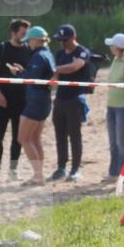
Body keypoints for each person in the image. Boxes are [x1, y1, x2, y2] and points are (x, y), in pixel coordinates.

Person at [48, 24, 91, 182]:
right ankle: (61, 167)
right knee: (60, 134)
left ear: (74, 38)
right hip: (60, 98)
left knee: (75, 135)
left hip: (75, 98)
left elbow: (74, 67)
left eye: (65, 40)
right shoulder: (60, 53)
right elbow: (56, 77)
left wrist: (53, 69)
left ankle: (75, 169)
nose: (63, 43)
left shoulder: (83, 52)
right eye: (61, 40)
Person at [0, 19, 32, 181]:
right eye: (23, 33)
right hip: (2, 100)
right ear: (13, 33)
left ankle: (13, 170)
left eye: (27, 33)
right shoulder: (2, 48)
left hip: (22, 101)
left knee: (18, 137)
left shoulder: (29, 49)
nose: (25, 37)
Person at [16, 27, 57, 186]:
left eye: (29, 41)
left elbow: (31, 79)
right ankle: (39, 174)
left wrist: (19, 73)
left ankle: (38, 175)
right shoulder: (48, 54)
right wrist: (23, 72)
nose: (28, 44)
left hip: (35, 101)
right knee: (35, 138)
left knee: (24, 139)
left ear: (35, 40)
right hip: (43, 100)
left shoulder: (39, 56)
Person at [103, 33, 124, 183]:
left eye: (112, 45)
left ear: (118, 47)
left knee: (122, 141)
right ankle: (114, 172)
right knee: (113, 141)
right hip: (112, 106)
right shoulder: (116, 60)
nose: (110, 48)